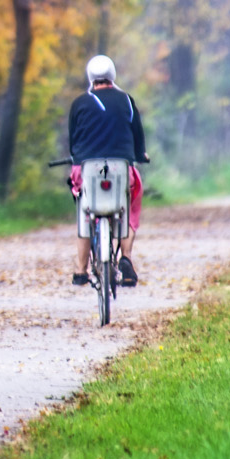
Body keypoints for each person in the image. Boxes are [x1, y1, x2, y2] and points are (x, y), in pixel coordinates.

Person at [65, 54, 147, 287]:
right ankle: (126, 258)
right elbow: (138, 138)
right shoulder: (127, 101)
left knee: (84, 207)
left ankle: (80, 270)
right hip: (122, 168)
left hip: (86, 168)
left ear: (90, 77)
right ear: (112, 75)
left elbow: (73, 142)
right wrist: (140, 155)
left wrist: (78, 157)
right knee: (130, 202)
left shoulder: (79, 103)